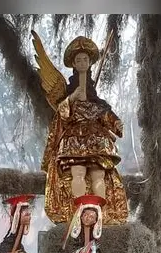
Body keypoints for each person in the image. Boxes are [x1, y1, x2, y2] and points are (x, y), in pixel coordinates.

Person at [33, 32, 127, 226]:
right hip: (74, 138)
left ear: (90, 63)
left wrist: (116, 124)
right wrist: (72, 98)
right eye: (79, 59)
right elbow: (62, 114)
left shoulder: (96, 100)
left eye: (85, 59)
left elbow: (105, 114)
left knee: (98, 174)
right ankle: (81, 210)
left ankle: (98, 212)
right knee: (77, 171)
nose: (82, 62)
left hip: (97, 139)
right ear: (74, 64)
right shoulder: (68, 95)